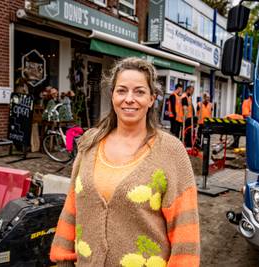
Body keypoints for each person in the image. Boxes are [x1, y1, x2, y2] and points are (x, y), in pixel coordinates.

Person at [50, 57, 200, 267]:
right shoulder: (90, 143)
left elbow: (185, 228)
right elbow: (72, 205)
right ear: (112, 95)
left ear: (152, 99)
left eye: (139, 91)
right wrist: (63, 259)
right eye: (121, 91)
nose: (129, 99)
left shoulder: (170, 152)